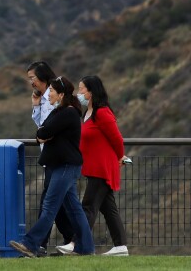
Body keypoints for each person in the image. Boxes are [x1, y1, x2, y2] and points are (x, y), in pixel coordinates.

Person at [10, 76, 95, 257]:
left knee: (49, 206)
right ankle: (86, 248)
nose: (48, 96)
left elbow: (45, 131)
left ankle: (31, 243)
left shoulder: (68, 113)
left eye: (52, 92)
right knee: (74, 209)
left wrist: (45, 134)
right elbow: (41, 131)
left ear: (61, 94)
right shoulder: (60, 112)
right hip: (60, 165)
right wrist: (43, 134)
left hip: (65, 166)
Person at [56, 75, 129, 256]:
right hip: (93, 167)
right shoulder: (87, 113)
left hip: (102, 168)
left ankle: (75, 243)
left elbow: (117, 139)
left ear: (91, 91)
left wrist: (120, 157)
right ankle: (121, 246)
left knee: (87, 206)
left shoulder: (102, 112)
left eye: (82, 89)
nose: (79, 93)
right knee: (108, 208)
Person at [26, 61, 74, 255]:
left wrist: (43, 134)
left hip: (57, 156)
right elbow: (40, 125)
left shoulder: (54, 97)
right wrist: (36, 106)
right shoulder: (43, 99)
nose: (31, 83)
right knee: (62, 203)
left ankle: (38, 244)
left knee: (49, 200)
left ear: (43, 77)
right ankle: (74, 240)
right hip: (49, 155)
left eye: (33, 78)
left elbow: (48, 128)